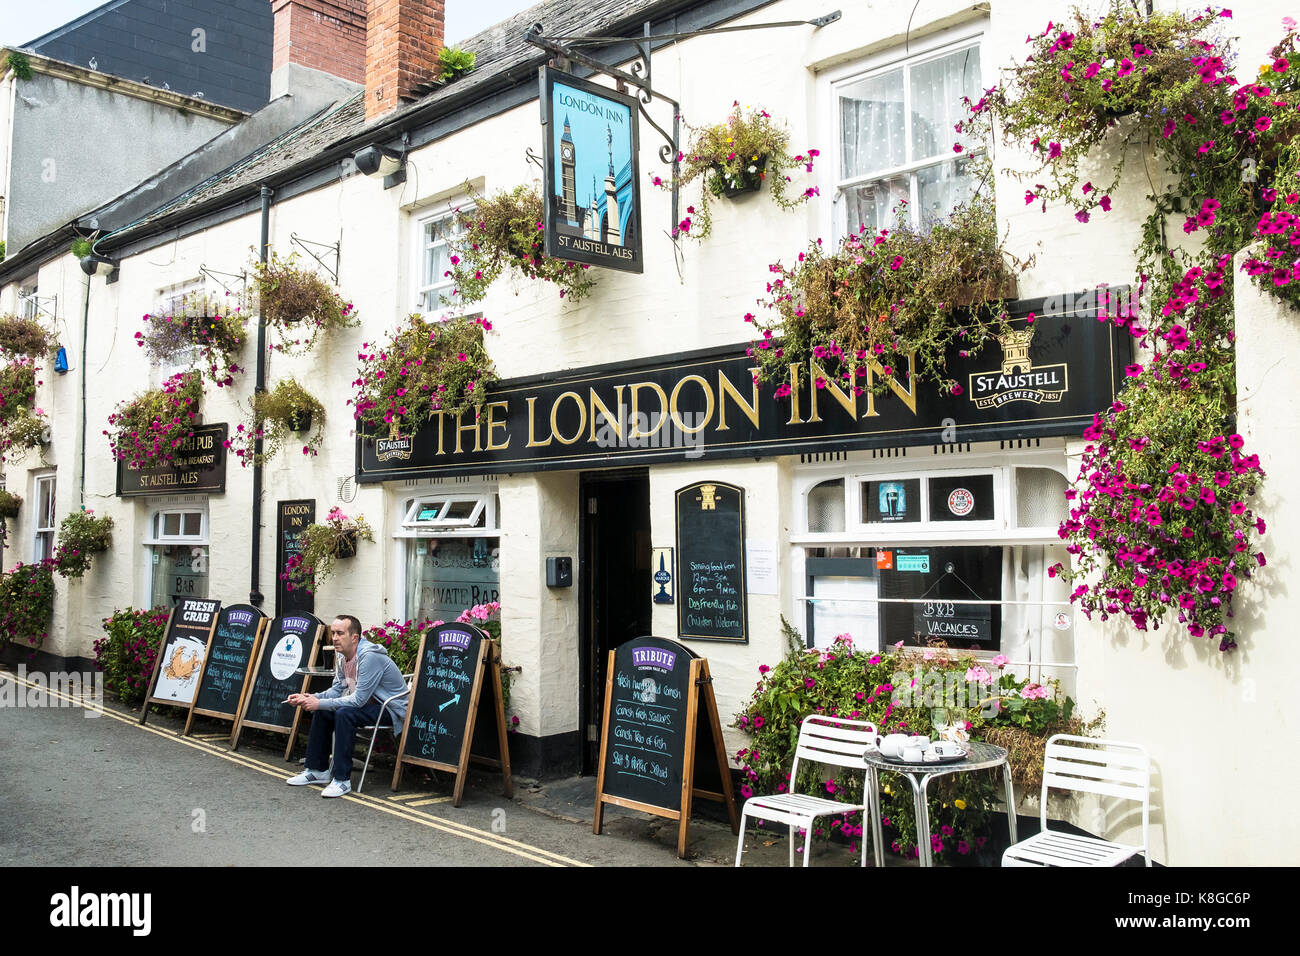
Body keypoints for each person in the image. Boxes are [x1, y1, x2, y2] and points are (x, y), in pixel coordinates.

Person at [285, 614, 409, 797]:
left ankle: (342, 781)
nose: (334, 638)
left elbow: (358, 700)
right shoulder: (342, 655)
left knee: (344, 713)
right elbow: (337, 689)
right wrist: (310, 697)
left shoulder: (369, 657)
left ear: (355, 637)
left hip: (390, 708)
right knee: (323, 710)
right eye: (333, 633)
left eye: (340, 633)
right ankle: (317, 770)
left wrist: (319, 702)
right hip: (368, 705)